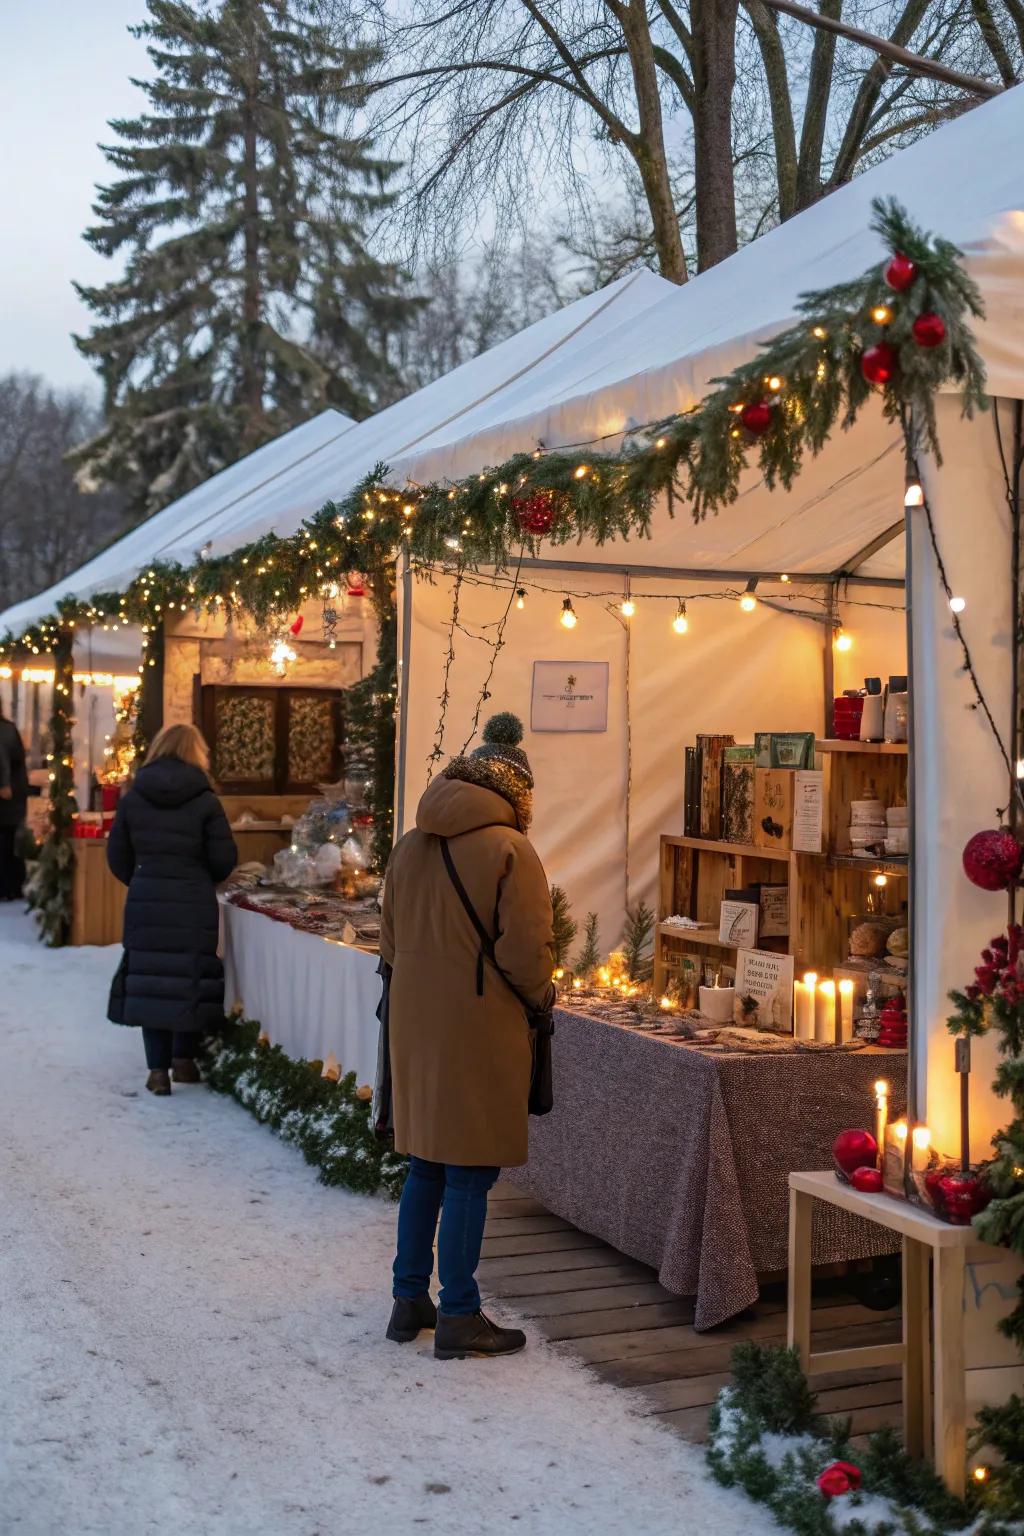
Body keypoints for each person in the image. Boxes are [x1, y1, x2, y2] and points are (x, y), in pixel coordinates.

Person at [380, 712, 554, 1360]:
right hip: (480, 1026)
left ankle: (407, 1300)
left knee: (426, 1161)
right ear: (517, 793)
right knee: (470, 1175)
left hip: (415, 1021)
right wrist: (539, 1001)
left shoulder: (410, 842)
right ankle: (459, 1313)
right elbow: (529, 954)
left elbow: (390, 938)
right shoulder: (512, 850)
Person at [107, 723, 237, 1095]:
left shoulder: (133, 797)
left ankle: (157, 1072)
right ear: (196, 753)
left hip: (147, 899)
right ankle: (184, 1061)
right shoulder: (205, 800)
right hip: (192, 901)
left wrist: (144, 879)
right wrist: (197, 877)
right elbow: (223, 859)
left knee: (153, 979)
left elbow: (117, 857)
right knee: (187, 977)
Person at [0, 701, 29, 901]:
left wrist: (4, 784)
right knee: (9, 842)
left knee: (4, 842)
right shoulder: (8, 728)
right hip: (14, 795)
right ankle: (13, 887)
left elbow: (1, 758)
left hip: (5, 796)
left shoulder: (4, 730)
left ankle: (6, 888)